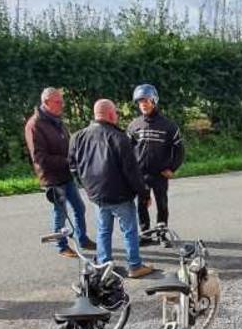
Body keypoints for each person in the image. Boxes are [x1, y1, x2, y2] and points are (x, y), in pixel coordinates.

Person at [69, 99, 154, 279]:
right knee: (129, 230)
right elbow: (132, 172)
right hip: (120, 195)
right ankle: (134, 265)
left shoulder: (78, 137)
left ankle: (104, 265)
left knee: (103, 230)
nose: (117, 115)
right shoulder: (119, 138)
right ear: (110, 114)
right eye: (115, 112)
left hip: (97, 195)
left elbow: (73, 167)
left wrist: (86, 187)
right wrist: (144, 194)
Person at [25, 87, 94, 258]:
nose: (62, 105)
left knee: (79, 207)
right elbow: (39, 158)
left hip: (66, 174)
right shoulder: (35, 125)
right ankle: (61, 246)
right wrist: (66, 161)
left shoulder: (56, 120)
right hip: (52, 177)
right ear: (46, 102)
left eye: (62, 101)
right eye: (58, 102)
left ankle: (82, 238)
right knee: (60, 212)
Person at [126, 84, 184, 244]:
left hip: (160, 174)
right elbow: (127, 151)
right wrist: (130, 171)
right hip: (140, 174)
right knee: (142, 204)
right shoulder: (134, 125)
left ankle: (161, 234)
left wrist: (172, 168)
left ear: (154, 101)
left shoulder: (169, 126)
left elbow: (179, 150)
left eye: (146, 100)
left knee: (162, 204)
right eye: (140, 102)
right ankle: (145, 234)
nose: (143, 104)